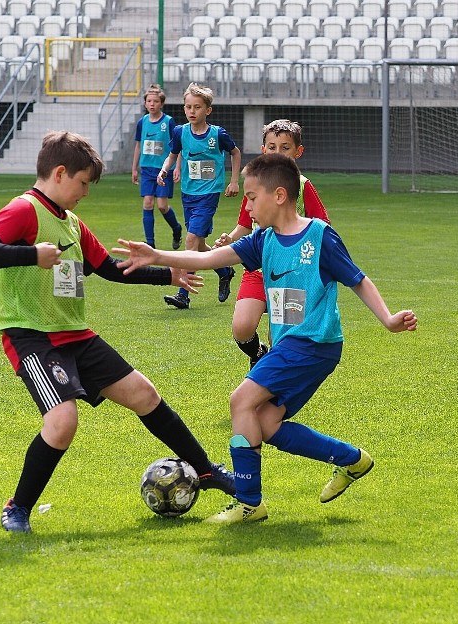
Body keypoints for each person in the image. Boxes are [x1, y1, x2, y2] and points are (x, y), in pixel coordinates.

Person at [114, 153, 418, 524]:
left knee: (241, 400)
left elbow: (358, 279)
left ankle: (249, 503)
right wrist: (156, 254)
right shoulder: (263, 241)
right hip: (292, 346)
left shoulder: (319, 237)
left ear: (278, 195)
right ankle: (352, 459)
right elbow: (211, 259)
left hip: (313, 343)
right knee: (266, 424)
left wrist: (387, 319)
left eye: (252, 197)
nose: (247, 205)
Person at [0, 131, 235, 534]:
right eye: (83, 184)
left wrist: (168, 273)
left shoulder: (71, 222)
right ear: (60, 174)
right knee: (62, 423)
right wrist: (32, 254)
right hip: (34, 336)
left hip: (75, 335)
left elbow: (109, 268)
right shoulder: (24, 210)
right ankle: (18, 508)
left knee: (144, 394)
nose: (85, 194)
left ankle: (205, 471)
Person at [215, 119, 330, 369]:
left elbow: (322, 225)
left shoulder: (302, 185)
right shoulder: (255, 186)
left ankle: (273, 383)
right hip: (257, 269)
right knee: (241, 327)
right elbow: (245, 225)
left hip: (292, 273)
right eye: (272, 147)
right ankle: (258, 353)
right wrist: (230, 239)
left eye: (285, 147)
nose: (278, 153)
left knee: (279, 336)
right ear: (263, 150)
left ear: (298, 152)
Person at [155, 83, 241, 310]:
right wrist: (164, 170)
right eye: (188, 107)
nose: (192, 111)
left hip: (209, 194)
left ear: (207, 110)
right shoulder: (180, 132)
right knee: (199, 244)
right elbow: (172, 156)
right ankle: (224, 271)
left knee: (191, 241)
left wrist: (233, 181)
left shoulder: (217, 134)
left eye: (197, 107)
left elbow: (235, 152)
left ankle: (183, 294)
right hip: (188, 194)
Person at [131, 84, 183, 250]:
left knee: (162, 205)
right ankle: (150, 243)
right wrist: (134, 168)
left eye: (155, 101)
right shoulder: (142, 122)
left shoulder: (168, 122)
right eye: (149, 101)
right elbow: (138, 145)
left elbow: (177, 145)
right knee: (147, 203)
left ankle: (176, 229)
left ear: (161, 104)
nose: (152, 104)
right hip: (147, 169)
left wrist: (177, 167)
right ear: (145, 103)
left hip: (163, 170)